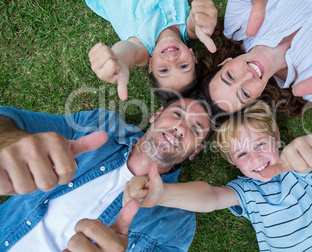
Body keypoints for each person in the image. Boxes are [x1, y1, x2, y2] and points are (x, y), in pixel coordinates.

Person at [124, 101, 312, 251]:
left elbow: (306, 158)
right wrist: (165, 194)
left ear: (278, 139)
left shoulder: (297, 172)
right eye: (242, 153)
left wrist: (307, 147)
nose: (255, 158)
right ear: (233, 162)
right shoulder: (247, 191)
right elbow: (212, 197)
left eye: (260, 144)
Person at [0, 96, 211, 251]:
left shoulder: (176, 222)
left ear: (196, 151)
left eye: (195, 130)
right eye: (177, 115)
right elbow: (12, 119)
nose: (180, 128)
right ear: (156, 115)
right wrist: (7, 139)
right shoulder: (100, 125)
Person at [64, 0, 217, 101]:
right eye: (183, 66)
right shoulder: (189, 28)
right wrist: (201, 18)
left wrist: (119, 59)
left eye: (163, 70)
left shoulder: (143, 49)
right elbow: (194, 22)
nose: (172, 60)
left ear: (150, 66)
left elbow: (128, 52)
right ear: (193, 56)